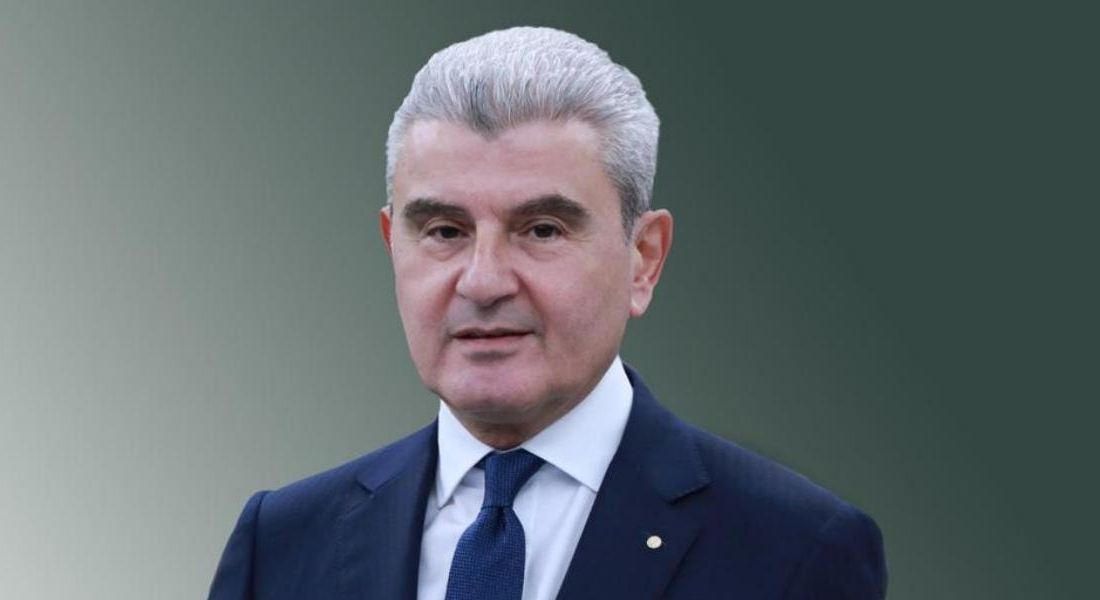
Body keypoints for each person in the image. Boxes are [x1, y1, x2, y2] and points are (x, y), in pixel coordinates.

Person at [207, 26, 886, 600]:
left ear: (644, 259)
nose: (483, 281)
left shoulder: (794, 551)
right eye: (444, 231)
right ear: (393, 246)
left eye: (541, 230)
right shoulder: (284, 543)